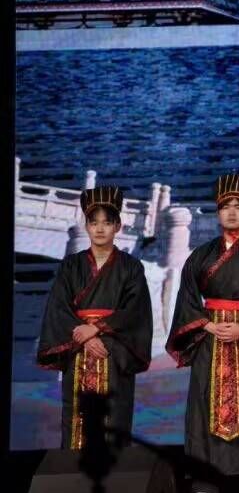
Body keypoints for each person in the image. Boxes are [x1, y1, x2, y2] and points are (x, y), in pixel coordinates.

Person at [37, 186, 152, 450]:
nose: (100, 228)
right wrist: (85, 336)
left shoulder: (131, 267)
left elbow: (135, 311)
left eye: (107, 222)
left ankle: (114, 472)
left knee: (115, 414)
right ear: (86, 226)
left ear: (118, 226)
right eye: (94, 222)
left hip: (115, 351)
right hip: (78, 346)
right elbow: (58, 308)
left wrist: (97, 328)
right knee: (76, 417)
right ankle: (74, 471)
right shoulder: (71, 265)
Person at [167, 174, 239, 493]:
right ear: (218, 212)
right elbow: (187, 299)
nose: (232, 212)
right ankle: (204, 490)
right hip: (210, 340)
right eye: (225, 206)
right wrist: (206, 324)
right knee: (204, 409)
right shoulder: (202, 255)